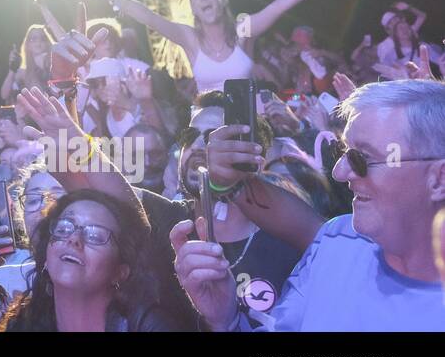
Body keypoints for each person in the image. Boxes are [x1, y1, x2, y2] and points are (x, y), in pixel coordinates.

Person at [175, 79, 445, 330]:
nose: (340, 173)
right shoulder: (337, 243)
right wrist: (227, 319)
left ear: (439, 179)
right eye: (343, 153)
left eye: (364, 159)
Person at [80, 0, 356, 93]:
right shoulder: (189, 39)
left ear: (221, 0)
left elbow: (280, 5)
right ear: (194, 10)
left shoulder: (244, 30)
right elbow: (150, 17)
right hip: (208, 127)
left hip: (250, 122)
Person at [0, 189, 169, 331]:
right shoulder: (24, 324)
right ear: (45, 256)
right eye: (63, 229)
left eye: (95, 236)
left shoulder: (147, 326)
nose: (74, 239)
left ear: (121, 271)